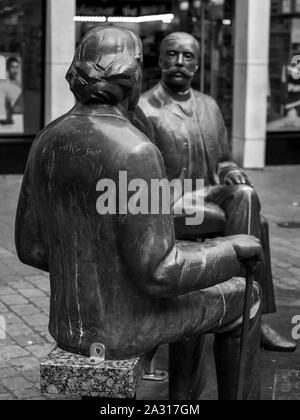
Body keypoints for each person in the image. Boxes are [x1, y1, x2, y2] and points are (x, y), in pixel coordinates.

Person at [15, 27, 263, 400]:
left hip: (70, 325)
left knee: (200, 289)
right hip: (127, 325)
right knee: (248, 295)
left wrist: (95, 264)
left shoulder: (46, 139)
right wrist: (233, 249)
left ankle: (183, 396)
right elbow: (161, 273)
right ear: (132, 76)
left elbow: (30, 248)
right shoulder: (135, 151)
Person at [137, 32, 296, 353]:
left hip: (208, 192)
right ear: (160, 60)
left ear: (197, 64)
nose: (179, 62)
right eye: (171, 55)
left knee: (247, 197)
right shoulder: (144, 108)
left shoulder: (209, 106)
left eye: (187, 56)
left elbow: (222, 159)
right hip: (171, 199)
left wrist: (231, 171)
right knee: (257, 224)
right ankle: (245, 311)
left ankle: (248, 308)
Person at [0, 56, 23, 126]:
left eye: (16, 67)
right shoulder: (3, 86)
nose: (15, 70)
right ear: (7, 69)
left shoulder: (20, 86)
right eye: (12, 67)